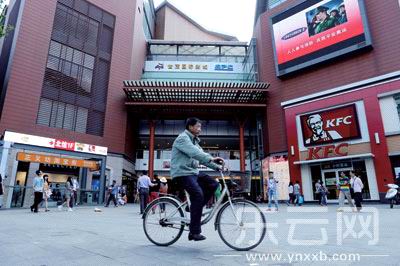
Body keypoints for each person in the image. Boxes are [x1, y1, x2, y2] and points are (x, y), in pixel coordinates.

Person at [171, 117, 223, 241]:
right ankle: (194, 232)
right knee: (198, 195)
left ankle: (193, 207)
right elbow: (195, 153)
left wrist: (218, 167)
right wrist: (211, 158)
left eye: (200, 127)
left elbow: (202, 158)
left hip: (192, 173)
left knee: (213, 184)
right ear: (190, 127)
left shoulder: (195, 142)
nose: (200, 129)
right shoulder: (183, 138)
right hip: (181, 173)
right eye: (198, 126)